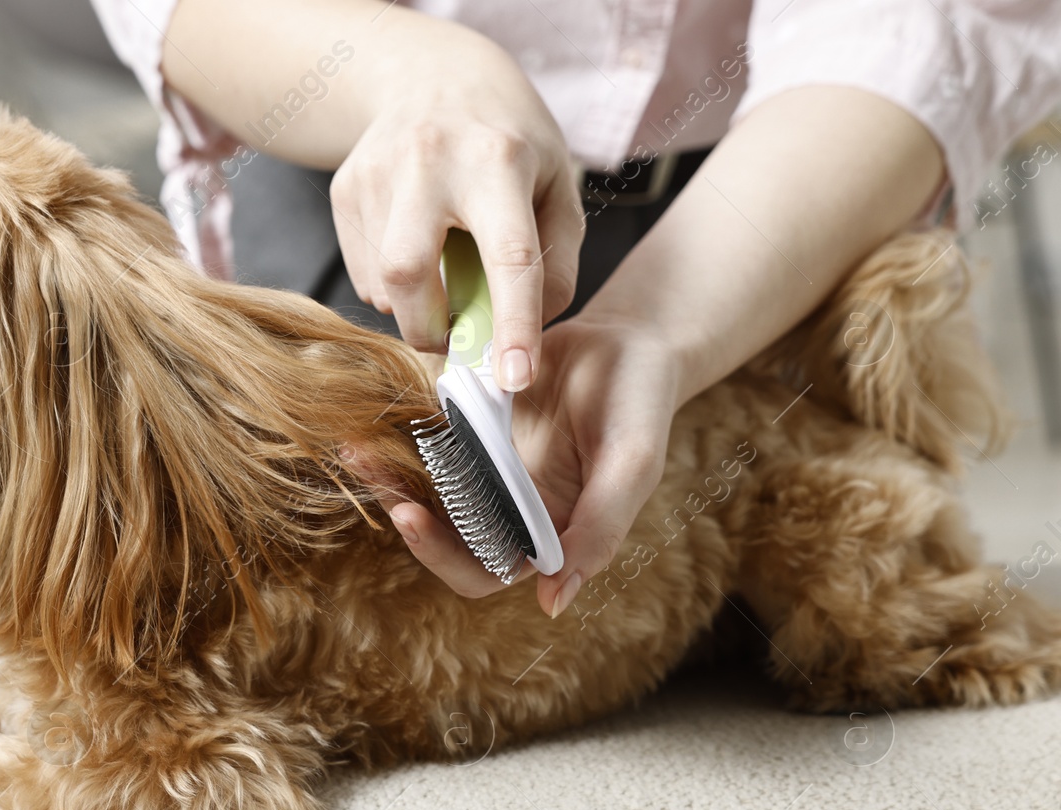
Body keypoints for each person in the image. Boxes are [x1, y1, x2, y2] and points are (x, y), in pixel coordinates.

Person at [91, 0, 1061, 618]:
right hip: (355, 192)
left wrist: (659, 326)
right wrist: (427, 76)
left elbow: (927, 23)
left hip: (766, 218)